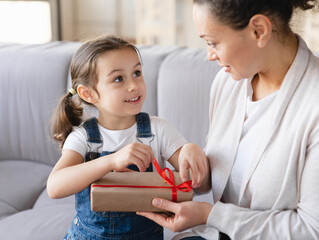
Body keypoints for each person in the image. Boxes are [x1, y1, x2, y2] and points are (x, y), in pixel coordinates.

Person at [137, 0, 319, 239]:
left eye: (212, 42)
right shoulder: (229, 83)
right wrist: (195, 161)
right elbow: (227, 177)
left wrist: (210, 216)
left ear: (259, 30)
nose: (209, 55)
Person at [46, 35, 208, 240]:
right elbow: (55, 187)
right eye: (118, 79)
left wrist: (191, 149)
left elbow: (198, 183)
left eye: (137, 73)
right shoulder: (84, 137)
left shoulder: (159, 130)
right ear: (88, 94)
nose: (133, 85)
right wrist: (111, 161)